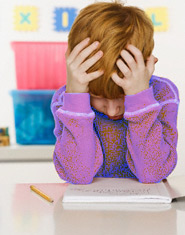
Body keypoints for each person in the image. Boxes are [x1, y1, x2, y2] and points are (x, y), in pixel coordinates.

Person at [51, 1, 179, 184]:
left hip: (147, 211)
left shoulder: (163, 95)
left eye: (122, 98)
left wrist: (140, 100)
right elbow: (77, 176)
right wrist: (77, 99)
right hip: (87, 211)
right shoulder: (67, 101)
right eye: (97, 97)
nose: (112, 111)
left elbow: (153, 173)